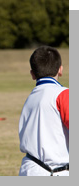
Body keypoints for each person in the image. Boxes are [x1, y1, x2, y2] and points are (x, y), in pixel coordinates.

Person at [18, 46, 69, 176]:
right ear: (60, 70)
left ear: (32, 74)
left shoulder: (31, 97)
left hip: (29, 167)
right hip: (55, 170)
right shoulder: (63, 94)